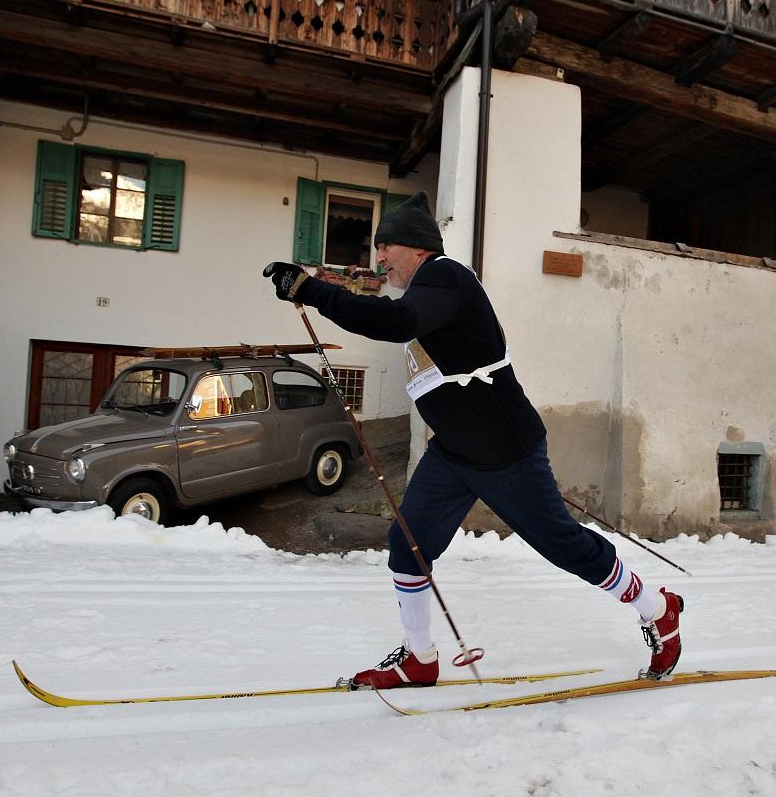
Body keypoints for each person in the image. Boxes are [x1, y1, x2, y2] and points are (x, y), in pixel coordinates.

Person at [266, 192, 682, 689]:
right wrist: (320, 287)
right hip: (455, 452)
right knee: (408, 543)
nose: (379, 259)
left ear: (416, 248)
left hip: (506, 453)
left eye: (386, 247)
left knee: (565, 547)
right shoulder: (426, 289)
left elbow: (394, 324)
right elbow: (393, 315)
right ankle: (418, 659)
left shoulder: (446, 276)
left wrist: (314, 291)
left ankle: (658, 609)